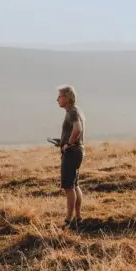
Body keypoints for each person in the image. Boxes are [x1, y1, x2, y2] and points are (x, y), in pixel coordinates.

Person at [57, 85, 85, 229]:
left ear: (67, 98)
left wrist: (68, 144)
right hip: (77, 151)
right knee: (75, 185)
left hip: (72, 152)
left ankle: (68, 220)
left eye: (60, 96)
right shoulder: (75, 110)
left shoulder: (72, 112)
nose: (57, 100)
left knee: (68, 187)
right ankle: (78, 217)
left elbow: (78, 129)